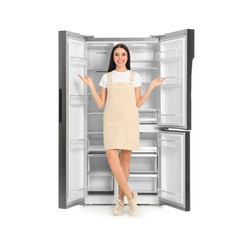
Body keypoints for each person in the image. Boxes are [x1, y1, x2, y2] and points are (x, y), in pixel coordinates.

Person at [78, 43, 166, 216]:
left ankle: (120, 200)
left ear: (127, 57)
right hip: (110, 122)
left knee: (125, 162)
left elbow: (138, 103)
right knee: (113, 161)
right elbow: (100, 103)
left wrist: (152, 86)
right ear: (113, 57)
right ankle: (131, 196)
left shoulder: (135, 76)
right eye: (117, 54)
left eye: (123, 54)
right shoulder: (107, 78)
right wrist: (90, 85)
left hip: (129, 122)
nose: (120, 57)